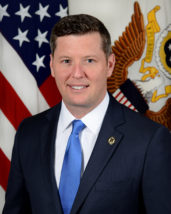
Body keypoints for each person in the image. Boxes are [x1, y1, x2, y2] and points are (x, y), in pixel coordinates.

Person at [3, 14, 171, 214]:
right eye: (66, 61)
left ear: (109, 65)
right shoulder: (29, 132)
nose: (77, 73)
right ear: (52, 65)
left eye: (89, 60)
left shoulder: (149, 140)